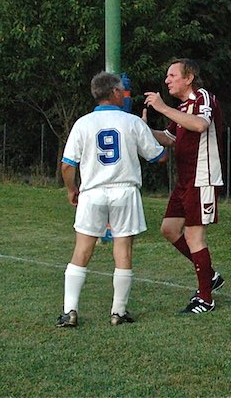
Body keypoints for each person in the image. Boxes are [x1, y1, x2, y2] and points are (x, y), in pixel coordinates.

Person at [57, 72, 166, 327]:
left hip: (92, 192)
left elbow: (67, 165)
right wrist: (147, 133)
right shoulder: (131, 122)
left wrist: (71, 189)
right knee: (123, 249)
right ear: (115, 92)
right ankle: (118, 312)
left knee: (82, 250)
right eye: (122, 91)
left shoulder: (83, 123)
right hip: (125, 191)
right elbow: (159, 157)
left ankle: (69, 311)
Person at [145, 58, 226, 315]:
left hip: (202, 177)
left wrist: (162, 108)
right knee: (169, 229)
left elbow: (200, 125)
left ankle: (205, 299)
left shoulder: (202, 97)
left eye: (172, 75)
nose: (167, 80)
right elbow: (168, 138)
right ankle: (209, 276)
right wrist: (142, 130)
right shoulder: (182, 107)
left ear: (189, 78)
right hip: (185, 180)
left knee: (193, 236)